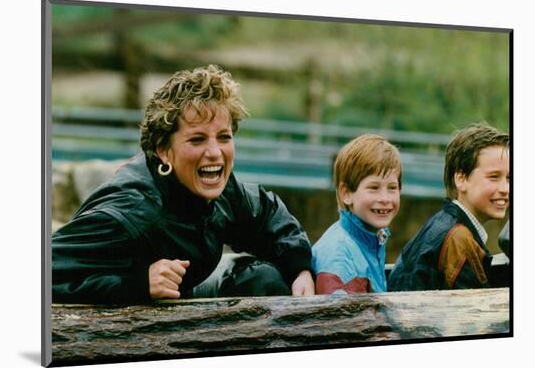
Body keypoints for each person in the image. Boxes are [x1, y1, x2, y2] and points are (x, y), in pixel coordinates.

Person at [52, 64, 315, 304]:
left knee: (265, 279)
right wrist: (137, 283)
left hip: (190, 289)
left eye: (223, 137)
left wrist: (300, 269)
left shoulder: (219, 189)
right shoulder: (131, 214)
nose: (215, 152)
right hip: (126, 318)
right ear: (164, 151)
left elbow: (267, 215)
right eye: (197, 140)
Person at [388, 123, 509, 291]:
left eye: (510, 178)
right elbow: (473, 312)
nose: (505, 189)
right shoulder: (458, 238)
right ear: (461, 179)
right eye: (494, 177)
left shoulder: (444, 222)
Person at [312, 134, 402, 294]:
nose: (385, 198)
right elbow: (345, 319)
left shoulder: (370, 239)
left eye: (392, 188)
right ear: (346, 193)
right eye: (374, 187)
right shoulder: (340, 261)